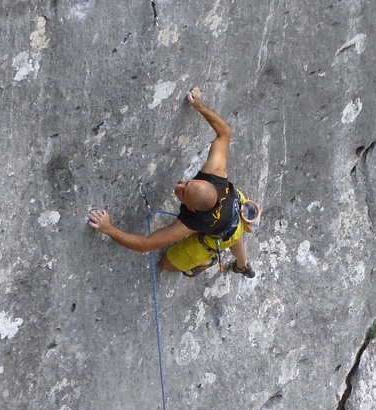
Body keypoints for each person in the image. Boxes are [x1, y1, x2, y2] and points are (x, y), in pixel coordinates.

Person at [87, 88, 258, 277]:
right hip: (236, 210)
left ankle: (208, 260)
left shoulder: (189, 223)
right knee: (232, 229)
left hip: (221, 229)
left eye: (183, 193)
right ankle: (243, 265)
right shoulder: (215, 173)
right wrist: (199, 106)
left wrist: (107, 228)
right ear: (209, 184)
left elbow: (145, 245)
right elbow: (224, 132)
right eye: (186, 184)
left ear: (192, 209)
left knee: (166, 262)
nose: (179, 186)